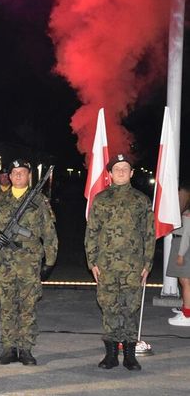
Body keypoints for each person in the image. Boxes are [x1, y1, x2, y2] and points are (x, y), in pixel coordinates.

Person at [0, 159, 58, 366]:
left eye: (23, 172)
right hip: (5, 263)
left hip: (29, 263)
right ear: (10, 176)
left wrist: (49, 261)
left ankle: (26, 349)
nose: (19, 176)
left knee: (28, 306)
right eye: (15, 173)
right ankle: (8, 348)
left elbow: (49, 233)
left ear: (29, 176)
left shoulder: (39, 201)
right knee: (7, 305)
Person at [85, 154, 155, 371]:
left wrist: (147, 264)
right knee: (109, 308)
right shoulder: (101, 199)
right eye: (117, 169)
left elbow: (149, 234)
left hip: (133, 267)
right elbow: (92, 232)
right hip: (106, 266)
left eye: (125, 168)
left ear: (132, 173)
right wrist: (92, 261)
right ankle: (111, 355)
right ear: (110, 174)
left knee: (130, 309)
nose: (122, 172)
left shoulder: (141, 200)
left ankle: (130, 356)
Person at [167, 182, 190, 326]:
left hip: (183, 246)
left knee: (185, 281)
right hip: (180, 243)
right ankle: (186, 309)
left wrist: (181, 254)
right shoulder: (184, 210)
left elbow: (187, 234)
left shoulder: (187, 213)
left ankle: (187, 315)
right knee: (185, 282)